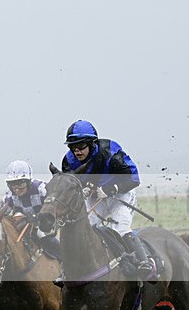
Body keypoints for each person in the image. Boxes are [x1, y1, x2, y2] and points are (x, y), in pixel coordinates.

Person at [61, 119, 154, 280]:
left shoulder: (111, 152)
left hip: (122, 195)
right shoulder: (68, 161)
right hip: (96, 197)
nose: (77, 151)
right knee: (86, 229)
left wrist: (111, 189)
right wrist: (85, 189)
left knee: (119, 227)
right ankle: (70, 270)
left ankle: (143, 261)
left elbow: (134, 178)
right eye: (72, 147)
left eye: (81, 146)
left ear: (92, 143)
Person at [1, 160, 60, 257]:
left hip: (47, 225)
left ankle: (62, 258)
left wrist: (36, 218)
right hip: (26, 227)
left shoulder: (42, 189)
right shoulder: (9, 195)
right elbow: (3, 214)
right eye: (12, 185)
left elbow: (55, 209)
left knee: (41, 234)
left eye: (21, 184)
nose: (16, 189)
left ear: (28, 182)